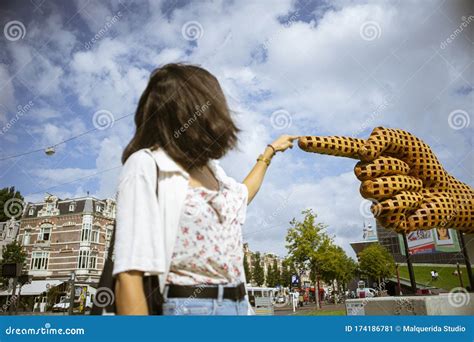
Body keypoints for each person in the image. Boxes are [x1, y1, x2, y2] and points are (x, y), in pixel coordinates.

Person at [113, 63, 298, 315]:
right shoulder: (147, 165)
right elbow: (129, 275)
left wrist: (270, 151)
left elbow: (243, 195)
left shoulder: (213, 170)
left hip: (240, 307)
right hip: (190, 309)